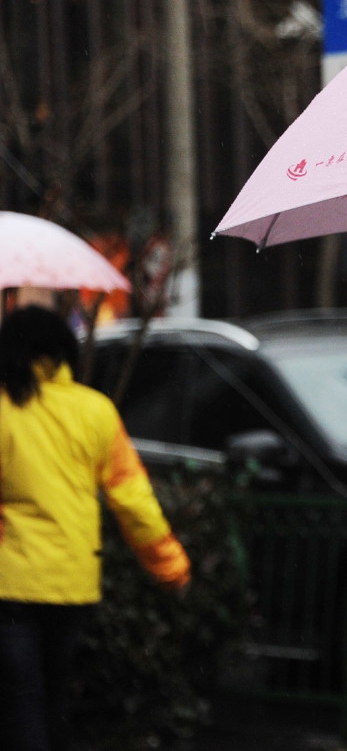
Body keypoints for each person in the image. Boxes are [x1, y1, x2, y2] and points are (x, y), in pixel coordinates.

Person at [0, 305, 191, 751]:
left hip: (9, 585)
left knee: (20, 702)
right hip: (74, 585)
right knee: (54, 697)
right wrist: (171, 568)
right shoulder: (97, 411)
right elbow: (134, 502)